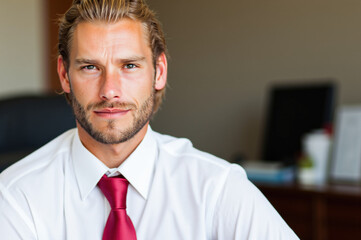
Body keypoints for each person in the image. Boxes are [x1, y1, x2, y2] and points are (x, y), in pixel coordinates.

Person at [0, 0, 298, 239]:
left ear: (159, 72)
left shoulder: (217, 189)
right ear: (65, 75)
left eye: (129, 65)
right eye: (90, 67)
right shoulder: (16, 198)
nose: (110, 91)